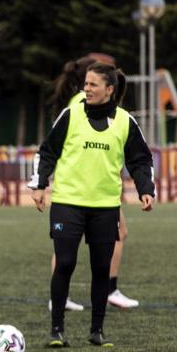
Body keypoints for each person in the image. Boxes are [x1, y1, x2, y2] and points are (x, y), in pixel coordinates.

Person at [28, 62, 155, 347]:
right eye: (86, 84)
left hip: (105, 206)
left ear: (109, 90)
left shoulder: (125, 121)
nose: (87, 89)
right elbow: (48, 151)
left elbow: (141, 159)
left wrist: (146, 189)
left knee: (101, 268)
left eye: (93, 85)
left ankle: (97, 331)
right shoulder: (71, 114)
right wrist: (39, 184)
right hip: (67, 203)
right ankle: (56, 331)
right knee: (65, 262)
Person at [47, 53, 141, 311]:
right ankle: (108, 290)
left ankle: (62, 296)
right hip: (87, 189)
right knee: (112, 234)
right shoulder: (83, 103)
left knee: (70, 243)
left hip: (88, 187)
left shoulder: (79, 100)